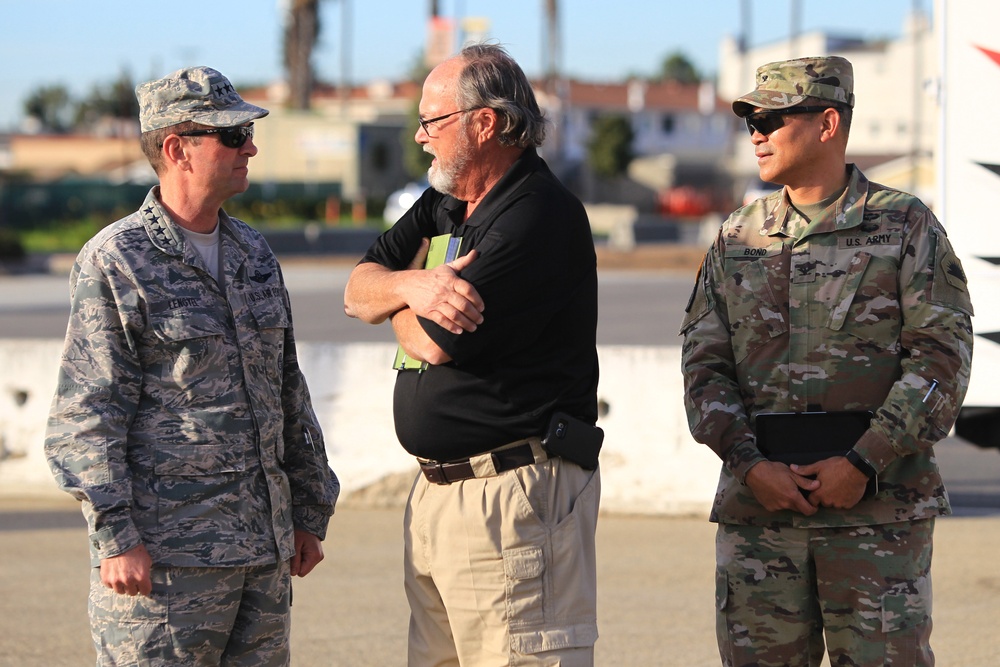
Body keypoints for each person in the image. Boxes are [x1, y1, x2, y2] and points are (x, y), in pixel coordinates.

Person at [680, 56, 974, 666]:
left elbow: (942, 359)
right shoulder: (738, 236)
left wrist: (863, 462)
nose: (755, 133)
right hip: (761, 516)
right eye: (750, 122)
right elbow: (703, 362)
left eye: (772, 117)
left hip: (876, 517)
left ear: (827, 122)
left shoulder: (904, 226)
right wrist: (748, 462)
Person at [44, 66, 340, 666]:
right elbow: (87, 414)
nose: (249, 147)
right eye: (231, 136)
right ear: (177, 149)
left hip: (261, 556)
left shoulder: (254, 253)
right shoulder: (116, 261)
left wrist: (308, 510)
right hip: (165, 567)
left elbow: (288, 392)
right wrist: (116, 537)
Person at [344, 43, 601, 666]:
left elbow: (435, 342)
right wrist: (414, 286)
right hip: (439, 495)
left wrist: (397, 306)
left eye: (433, 121)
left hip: (510, 499)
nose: (421, 137)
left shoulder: (536, 215)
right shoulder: (446, 204)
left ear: (483, 123)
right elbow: (357, 290)